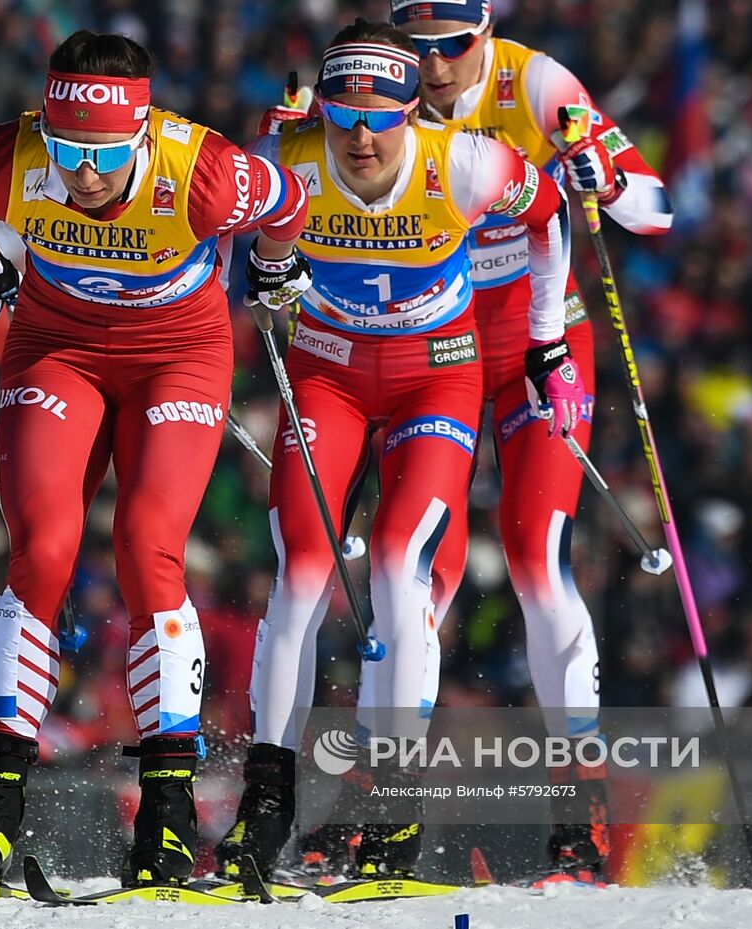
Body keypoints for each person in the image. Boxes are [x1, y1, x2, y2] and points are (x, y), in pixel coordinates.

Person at [0, 30, 311, 888]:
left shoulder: (202, 171)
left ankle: (168, 817)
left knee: (147, 546)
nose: (84, 174)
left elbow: (287, 200)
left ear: (140, 135)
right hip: (57, 346)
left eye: (103, 154)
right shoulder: (8, 160)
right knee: (45, 548)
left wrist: (277, 268)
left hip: (179, 352)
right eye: (67, 150)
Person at [214, 19, 577, 881]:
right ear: (324, 112)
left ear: (415, 108)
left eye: (382, 115)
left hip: (436, 378)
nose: (363, 136)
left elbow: (550, 214)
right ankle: (266, 805)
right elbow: (207, 222)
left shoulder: (464, 162)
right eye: (344, 116)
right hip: (329, 375)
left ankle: (395, 807)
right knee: (299, 571)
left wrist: (547, 341)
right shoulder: (288, 158)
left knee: (395, 564)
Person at [389, 0, 674, 882]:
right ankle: (386, 809)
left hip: (539, 340)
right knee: (416, 567)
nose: (434, 69)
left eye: (453, 48)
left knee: (535, 556)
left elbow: (658, 213)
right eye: (418, 49)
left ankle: (579, 816)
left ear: (486, 32)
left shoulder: (537, 82)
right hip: (431, 346)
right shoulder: (378, 93)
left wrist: (605, 175)